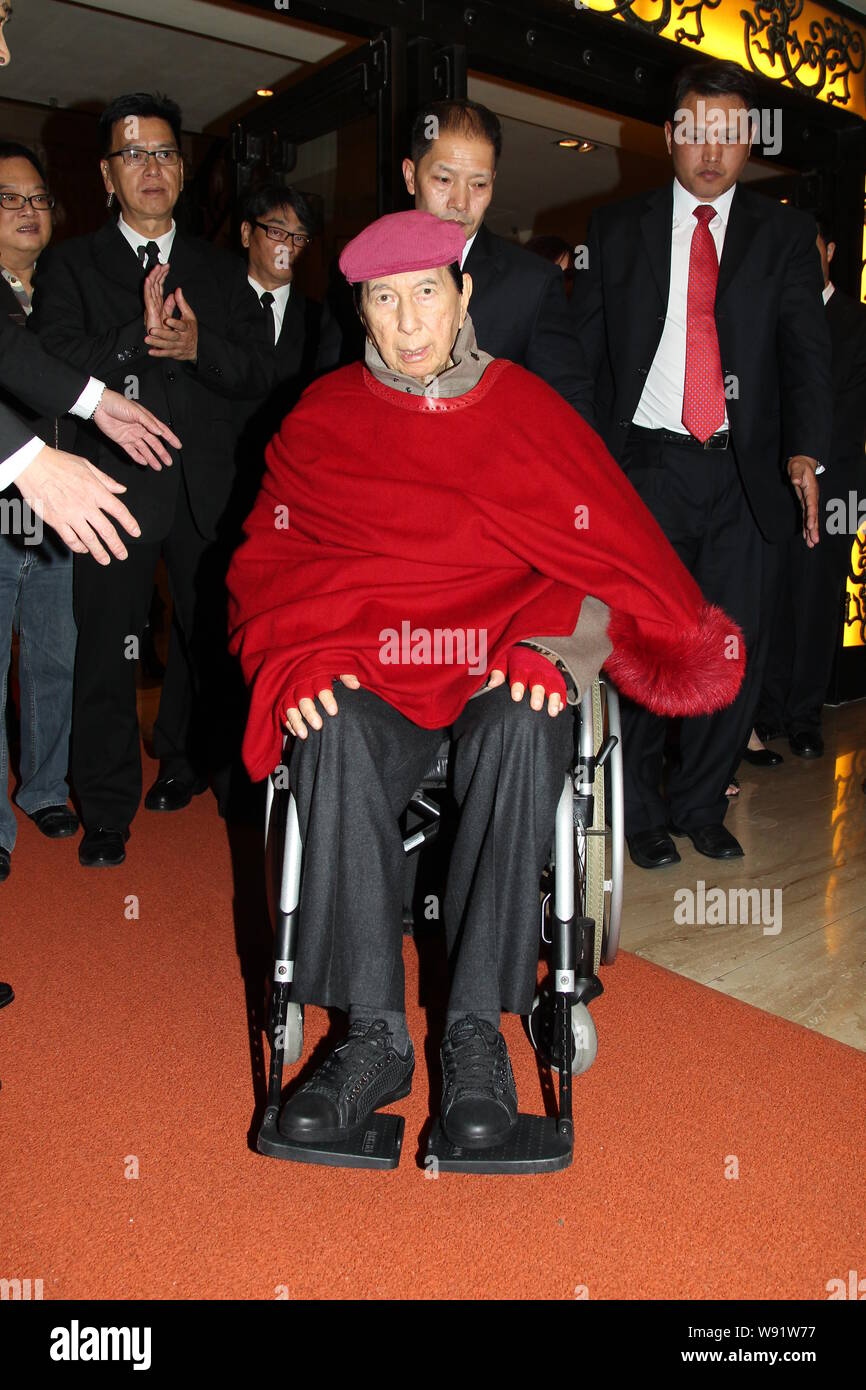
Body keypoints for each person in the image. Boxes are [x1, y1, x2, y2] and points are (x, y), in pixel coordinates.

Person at [226, 210, 744, 1151]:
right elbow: (270, 564)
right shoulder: (322, 418)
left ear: (463, 296)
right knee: (327, 724)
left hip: (492, 663)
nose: (409, 320)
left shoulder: (525, 407)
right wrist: (299, 660)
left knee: (527, 719)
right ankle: (375, 1037)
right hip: (373, 672)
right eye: (384, 300)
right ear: (362, 313)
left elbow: (593, 558)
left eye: (427, 291)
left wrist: (552, 649)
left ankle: (474, 1031)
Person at [572, 59, 832, 869]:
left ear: (749, 143)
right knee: (649, 647)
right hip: (647, 468)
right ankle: (642, 811)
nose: (712, 151)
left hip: (744, 473)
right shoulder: (618, 229)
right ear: (670, 136)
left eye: (730, 135)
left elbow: (805, 354)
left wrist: (804, 449)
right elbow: (586, 355)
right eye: (697, 132)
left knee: (730, 650)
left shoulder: (783, 234)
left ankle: (701, 803)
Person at [30, 92, 273, 865]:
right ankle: (105, 808)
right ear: (107, 175)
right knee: (109, 650)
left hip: (207, 490)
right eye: (134, 155)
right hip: (111, 491)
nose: (153, 168)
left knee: (213, 641)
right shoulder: (71, 264)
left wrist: (198, 345)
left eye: (166, 153)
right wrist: (141, 337)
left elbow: (256, 373)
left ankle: (192, 766)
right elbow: (54, 367)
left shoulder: (219, 268)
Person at [753, 213, 866, 760]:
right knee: (772, 598)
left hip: (838, 485)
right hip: (776, 484)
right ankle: (769, 709)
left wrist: (812, 462)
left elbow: (848, 408)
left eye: (810, 247)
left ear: (830, 251)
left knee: (819, 599)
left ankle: (804, 716)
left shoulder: (858, 321)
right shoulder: (774, 317)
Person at [399, 99, 591, 415]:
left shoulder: (532, 284)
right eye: (444, 180)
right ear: (410, 176)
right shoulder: (366, 271)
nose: (460, 202)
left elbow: (571, 407)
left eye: (478, 184)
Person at [0, 142, 81, 883]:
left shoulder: (66, 291)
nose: (28, 211)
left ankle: (46, 788)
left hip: (57, 513)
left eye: (37, 199)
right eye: (9, 198)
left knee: (55, 658)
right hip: (0, 501)